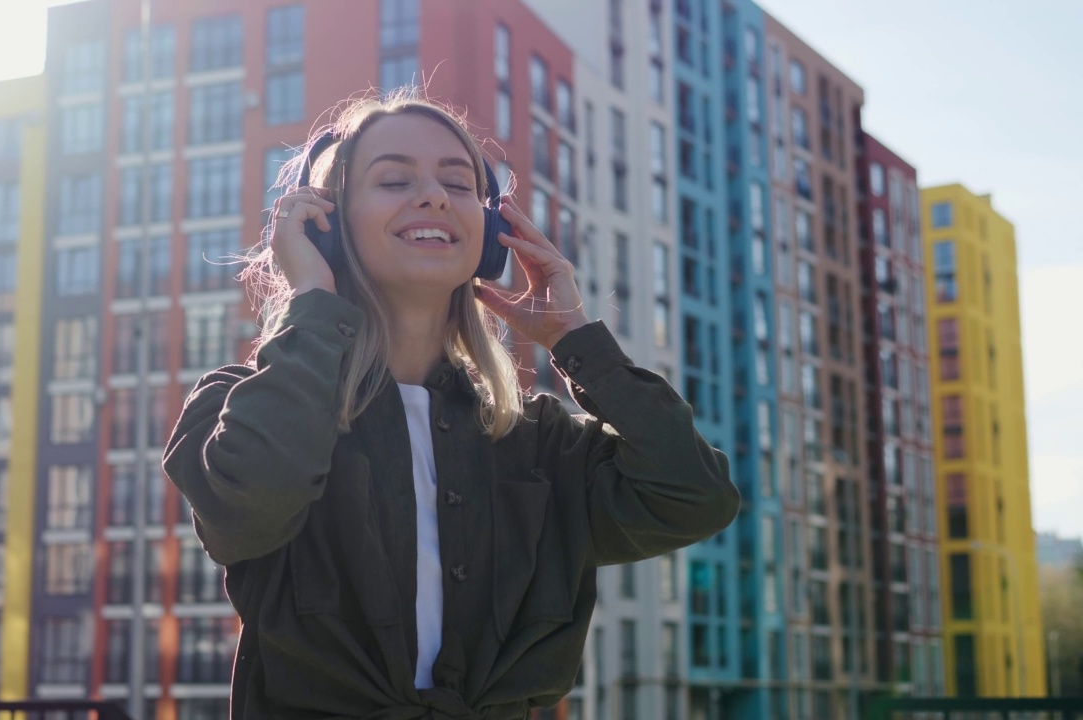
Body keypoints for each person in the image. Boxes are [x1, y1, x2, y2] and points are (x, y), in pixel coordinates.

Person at [163, 90, 739, 720]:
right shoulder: (237, 405)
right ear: (325, 226)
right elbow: (246, 512)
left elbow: (696, 496)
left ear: (491, 238)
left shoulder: (539, 439)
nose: (434, 196)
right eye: (394, 179)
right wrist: (313, 302)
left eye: (457, 183)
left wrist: (576, 343)